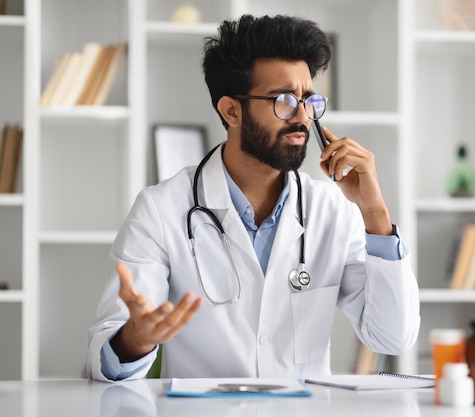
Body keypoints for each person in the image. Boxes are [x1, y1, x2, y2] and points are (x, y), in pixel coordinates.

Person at [87, 14, 420, 382]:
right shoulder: (162, 210)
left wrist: (375, 213)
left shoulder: (333, 210)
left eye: (308, 100)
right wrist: (136, 338)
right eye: (284, 100)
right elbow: (105, 368)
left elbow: (392, 337)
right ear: (231, 110)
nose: (302, 117)